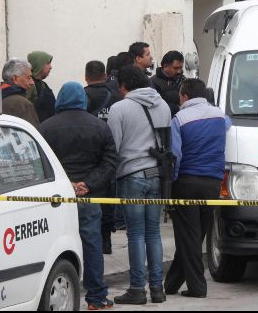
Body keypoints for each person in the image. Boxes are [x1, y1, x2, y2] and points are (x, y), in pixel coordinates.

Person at [39, 82, 117, 310]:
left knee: (53, 245)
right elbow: (110, 161)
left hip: (57, 198)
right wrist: (87, 184)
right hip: (88, 197)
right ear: (83, 100)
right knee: (92, 244)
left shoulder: (45, 128)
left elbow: (39, 162)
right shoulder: (100, 127)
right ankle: (96, 297)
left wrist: (67, 184)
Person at [107, 65, 171, 305]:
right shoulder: (163, 105)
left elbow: (114, 145)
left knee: (135, 234)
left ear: (124, 85)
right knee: (153, 232)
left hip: (131, 174)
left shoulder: (120, 108)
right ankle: (157, 288)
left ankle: (137, 289)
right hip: (157, 174)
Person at [164, 78, 230, 299]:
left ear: (184, 96)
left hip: (187, 182)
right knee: (195, 236)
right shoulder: (221, 116)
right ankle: (172, 283)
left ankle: (197, 287)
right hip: (212, 183)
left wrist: (172, 183)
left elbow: (176, 155)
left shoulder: (179, 119)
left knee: (188, 236)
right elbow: (228, 128)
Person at [84, 60, 123, 254]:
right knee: (109, 197)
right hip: (110, 154)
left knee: (90, 198)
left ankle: (92, 240)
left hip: (88, 155)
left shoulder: (82, 96)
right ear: (105, 76)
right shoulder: (117, 98)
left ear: (86, 76)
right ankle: (106, 240)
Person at [0, 58, 39, 127]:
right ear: (15, 79)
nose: (32, 82)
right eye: (28, 77)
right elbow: (34, 133)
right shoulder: (24, 104)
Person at [150, 51, 186, 117]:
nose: (179, 71)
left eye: (180, 68)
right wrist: (179, 108)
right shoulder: (153, 82)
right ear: (165, 66)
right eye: (176, 68)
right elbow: (156, 105)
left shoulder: (183, 80)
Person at [27, 51, 57, 123]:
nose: (51, 67)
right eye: (47, 63)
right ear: (39, 64)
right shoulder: (29, 85)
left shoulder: (43, 84)